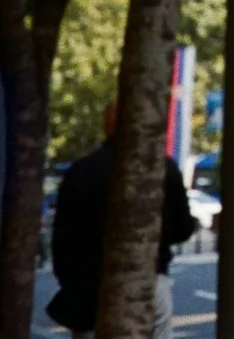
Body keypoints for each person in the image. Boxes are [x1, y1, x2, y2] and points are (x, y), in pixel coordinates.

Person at [46, 99, 196, 339]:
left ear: (106, 126)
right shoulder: (162, 168)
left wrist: (71, 281)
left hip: (89, 288)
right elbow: (183, 229)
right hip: (149, 280)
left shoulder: (82, 171)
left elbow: (63, 239)